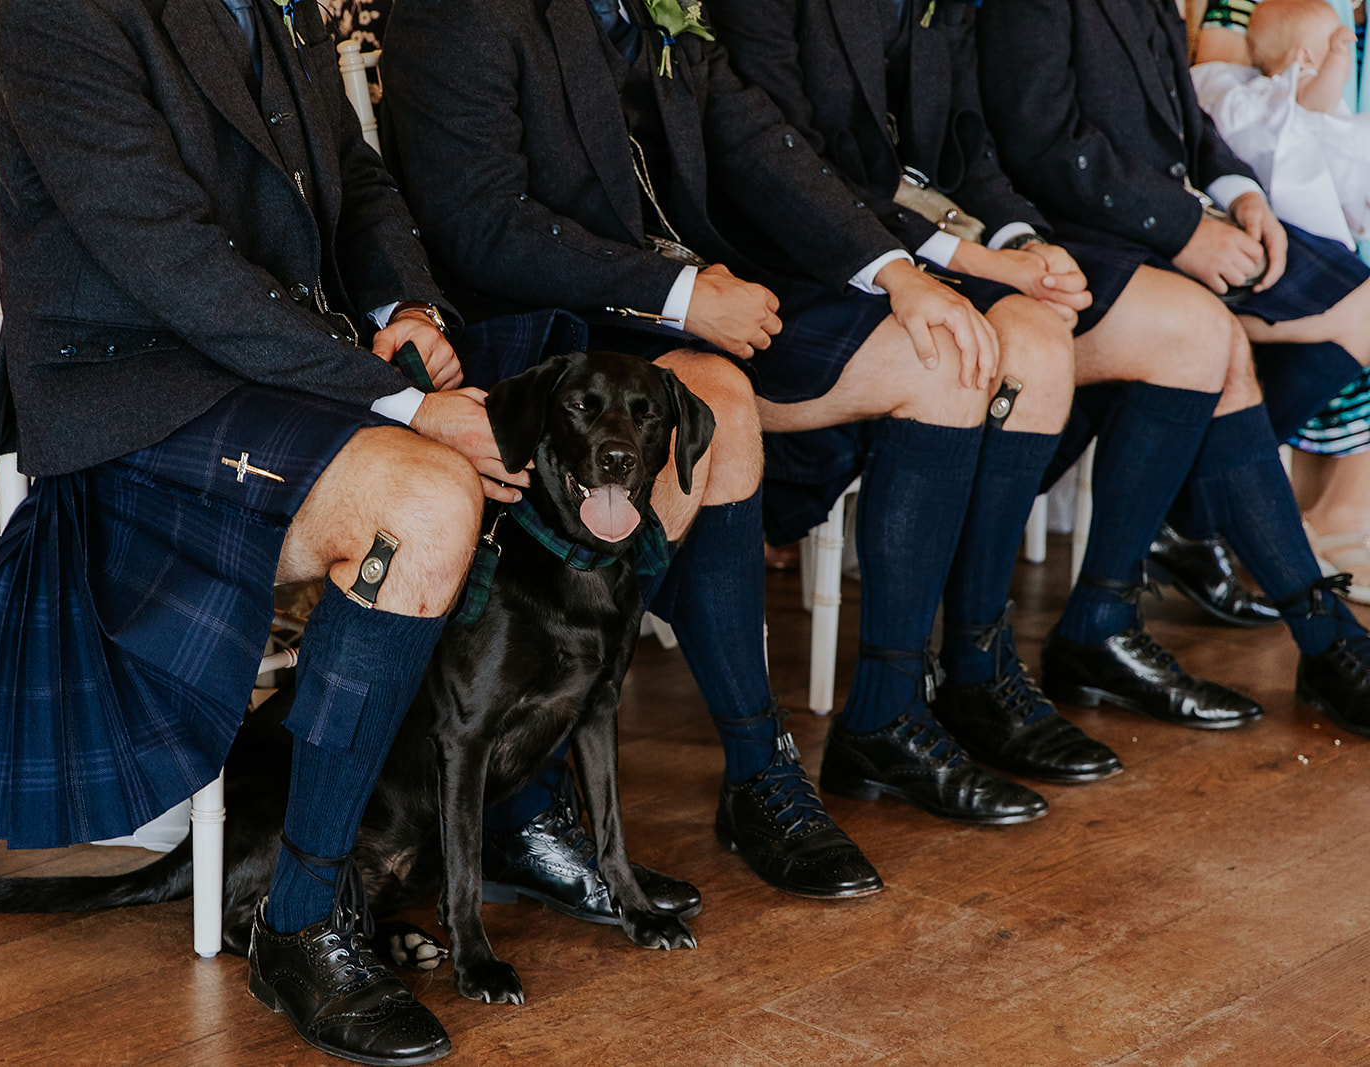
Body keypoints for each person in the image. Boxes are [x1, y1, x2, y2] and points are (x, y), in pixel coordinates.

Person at [0, 0, 563, 1058]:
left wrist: (402, 308)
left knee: (512, 450)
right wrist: (401, 405)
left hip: (273, 363)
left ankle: (495, 817)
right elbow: (169, 258)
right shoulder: (53, 16)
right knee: (425, 498)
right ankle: (302, 920)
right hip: (131, 396)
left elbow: (355, 176)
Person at [382, 0, 1092, 859]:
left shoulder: (651, 9)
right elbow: (479, 226)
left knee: (940, 356)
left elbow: (761, 145)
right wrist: (677, 295)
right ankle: (756, 770)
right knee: (717, 402)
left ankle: (888, 716)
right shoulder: (459, 13)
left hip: (684, 298)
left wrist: (899, 274)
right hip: (549, 333)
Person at [706, 0, 1285, 759]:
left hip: (921, 245)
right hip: (796, 260)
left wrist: (1025, 241)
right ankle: (889, 702)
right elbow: (787, 169)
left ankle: (979, 667)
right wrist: (968, 259)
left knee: (1043, 338)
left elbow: (964, 145)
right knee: (957, 350)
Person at [979, 0, 1370, 737]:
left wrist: (1240, 195)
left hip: (1157, 220)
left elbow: (1185, 119)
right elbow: (1040, 140)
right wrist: (1187, 231)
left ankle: (1196, 516)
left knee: (1359, 304)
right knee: (1210, 343)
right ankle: (1316, 632)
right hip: (1076, 234)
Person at [1197, 0, 1370, 601]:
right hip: (1264, 222)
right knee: (1361, 305)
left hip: (1325, 225)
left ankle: (1331, 513)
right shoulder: (1275, 55)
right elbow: (1216, 114)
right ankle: (1299, 513)